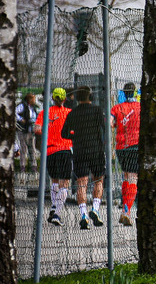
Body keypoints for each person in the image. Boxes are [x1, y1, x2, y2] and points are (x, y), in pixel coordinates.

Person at [60, 86, 108, 230]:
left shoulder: (73, 113)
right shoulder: (97, 110)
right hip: (96, 150)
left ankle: (83, 215)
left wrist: (76, 136)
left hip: (80, 150)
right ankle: (95, 208)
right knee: (98, 180)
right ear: (90, 97)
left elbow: (64, 133)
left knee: (81, 183)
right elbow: (104, 128)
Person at [33, 88, 72, 226]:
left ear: (53, 98)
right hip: (65, 150)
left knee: (54, 180)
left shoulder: (45, 112)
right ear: (64, 99)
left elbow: (36, 128)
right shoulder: (68, 113)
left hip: (49, 150)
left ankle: (54, 205)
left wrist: (48, 128)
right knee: (65, 182)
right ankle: (57, 212)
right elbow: (74, 130)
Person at [110, 82, 141, 226]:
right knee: (133, 177)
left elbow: (110, 123)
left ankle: (125, 207)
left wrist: (119, 124)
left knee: (126, 175)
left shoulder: (117, 108)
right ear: (135, 93)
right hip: (136, 145)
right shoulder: (140, 107)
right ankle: (127, 210)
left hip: (122, 146)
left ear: (123, 92)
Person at [15, 92, 39, 174]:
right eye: (33, 98)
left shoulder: (33, 107)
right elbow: (15, 113)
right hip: (23, 130)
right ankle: (23, 166)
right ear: (29, 99)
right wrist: (21, 119)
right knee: (23, 148)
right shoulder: (22, 106)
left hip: (31, 130)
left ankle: (33, 166)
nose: (34, 100)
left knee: (32, 149)